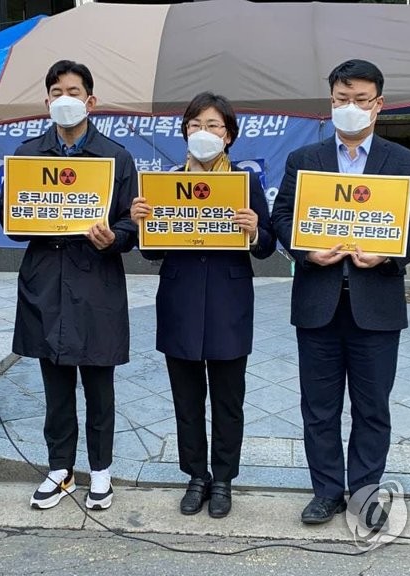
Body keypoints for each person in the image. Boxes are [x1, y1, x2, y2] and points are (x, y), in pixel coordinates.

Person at [271, 59, 410, 527]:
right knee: (318, 408)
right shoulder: (304, 161)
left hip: (377, 303)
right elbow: (283, 216)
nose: (350, 108)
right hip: (318, 301)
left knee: (372, 407)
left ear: (378, 105)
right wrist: (306, 252)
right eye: (341, 100)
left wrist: (390, 254)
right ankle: (325, 491)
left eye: (360, 100)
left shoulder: (405, 162)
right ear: (331, 103)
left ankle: (365, 492)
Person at [130, 92, 276, 518]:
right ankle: (196, 475)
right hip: (179, 299)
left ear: (229, 135)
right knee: (186, 399)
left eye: (213, 126)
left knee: (229, 399)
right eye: (195, 125)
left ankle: (224, 478)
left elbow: (267, 246)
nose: (203, 133)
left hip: (230, 301)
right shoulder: (164, 183)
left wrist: (253, 231)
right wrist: (144, 224)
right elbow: (153, 253)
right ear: (184, 133)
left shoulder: (245, 184)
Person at [6, 60, 137, 512]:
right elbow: (15, 224)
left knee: (99, 385)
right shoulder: (27, 156)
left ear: (91, 101)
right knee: (55, 384)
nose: (66, 99)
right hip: (46, 283)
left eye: (75, 91)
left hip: (96, 282)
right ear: (47, 102)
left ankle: (100, 470)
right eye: (57, 92)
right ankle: (59, 469)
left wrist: (114, 237)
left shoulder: (116, 157)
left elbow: (129, 225)